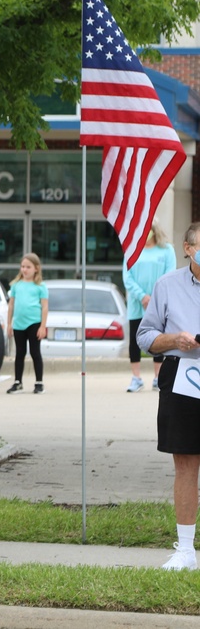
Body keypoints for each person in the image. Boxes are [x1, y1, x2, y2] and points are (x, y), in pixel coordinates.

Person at [137, 221, 200, 571]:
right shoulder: (167, 286)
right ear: (187, 248)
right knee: (187, 465)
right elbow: (145, 337)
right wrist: (175, 340)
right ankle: (186, 551)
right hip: (183, 378)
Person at [124, 224, 177, 393]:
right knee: (134, 339)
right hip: (137, 304)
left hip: (159, 302)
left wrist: (154, 296)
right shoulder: (132, 250)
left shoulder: (167, 250)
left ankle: (157, 377)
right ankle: (136, 378)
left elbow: (170, 273)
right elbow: (127, 277)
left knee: (159, 338)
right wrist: (142, 296)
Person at [5, 252, 48, 394]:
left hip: (34, 323)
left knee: (35, 352)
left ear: (36, 268)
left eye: (28, 267)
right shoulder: (16, 285)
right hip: (18, 324)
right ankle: (18, 382)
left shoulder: (40, 286)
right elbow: (11, 305)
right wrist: (9, 323)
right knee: (20, 353)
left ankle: (39, 382)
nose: (24, 270)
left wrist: (42, 326)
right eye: (22, 266)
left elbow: (45, 307)